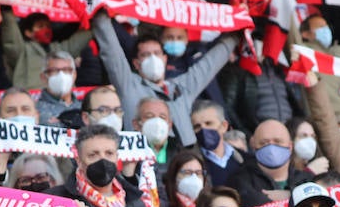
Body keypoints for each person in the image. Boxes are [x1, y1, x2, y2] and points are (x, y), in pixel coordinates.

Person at [92, 10, 240, 149]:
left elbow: (212, 62)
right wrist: (99, 13)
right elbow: (111, 52)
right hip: (142, 160)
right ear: (136, 63)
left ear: (164, 59)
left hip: (184, 160)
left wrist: (238, 28)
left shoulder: (182, 87)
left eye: (157, 53)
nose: (153, 59)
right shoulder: (128, 85)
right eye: (146, 55)